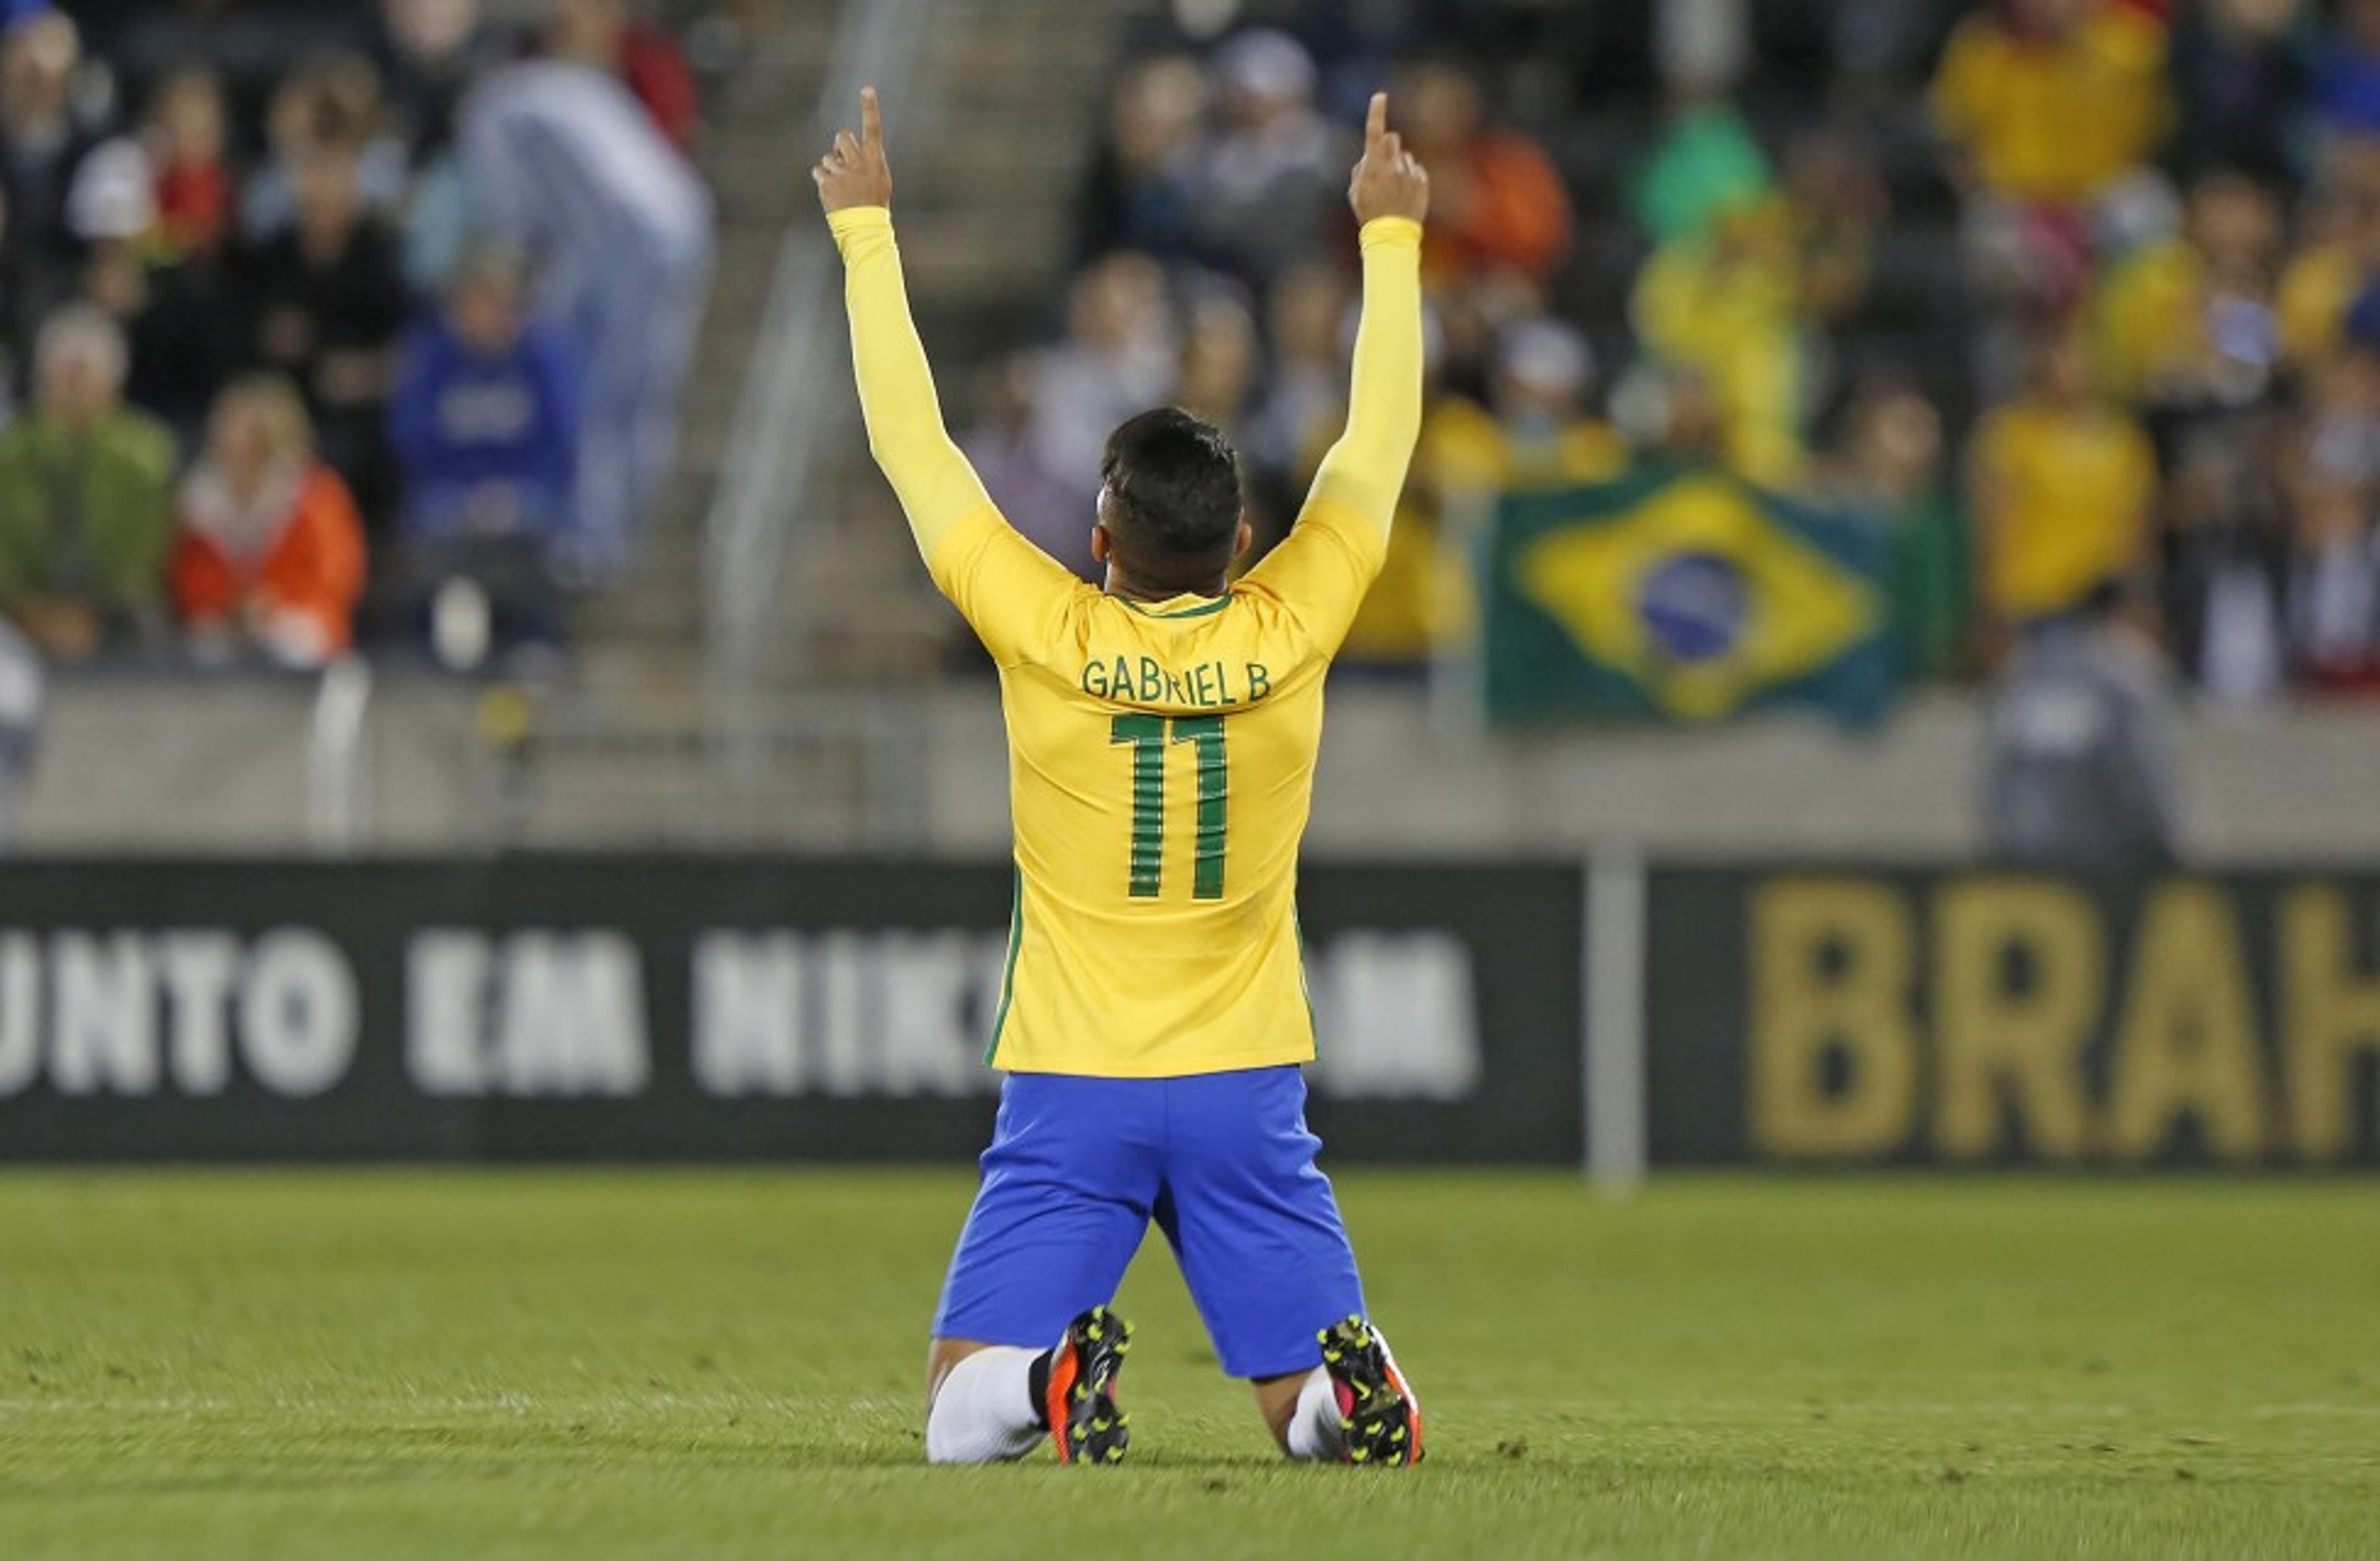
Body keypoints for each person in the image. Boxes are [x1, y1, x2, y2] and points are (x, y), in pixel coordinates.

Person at [817, 86, 1428, 1468]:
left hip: (1076, 1070)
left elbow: (915, 451)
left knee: (953, 1402)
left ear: (1101, 541)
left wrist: (867, 236)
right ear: (1247, 539)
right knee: (1299, 1401)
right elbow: (1376, 446)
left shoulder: (1045, 631)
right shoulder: (1295, 624)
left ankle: (1042, 1387)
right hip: (1242, 1072)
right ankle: (1351, 1394)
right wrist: (1389, 242)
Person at [461, 55, 713, 569]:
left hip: (630, 244)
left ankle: (596, 538)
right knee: (639, 398)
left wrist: (525, 291)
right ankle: (615, 528)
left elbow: (519, 221)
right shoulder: (564, 85)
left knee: (603, 396)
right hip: (680, 224)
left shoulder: (491, 113)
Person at [0, 306, 177, 661]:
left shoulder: (145, 456)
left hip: (116, 613)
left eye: (83, 375)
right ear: (42, 376)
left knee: (147, 623)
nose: (72, 388)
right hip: (20, 613)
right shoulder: (11, 453)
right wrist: (31, 609)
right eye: (63, 374)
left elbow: (146, 550)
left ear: (113, 382)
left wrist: (91, 615)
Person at [1982, 577, 2183, 871]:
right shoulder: (2123, 684)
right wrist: (2164, 847)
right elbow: (2142, 780)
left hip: (2026, 862)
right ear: (2114, 619)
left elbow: (1995, 781)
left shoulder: (2024, 681)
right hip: (2109, 865)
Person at [172, 375, 368, 669]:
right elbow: (190, 576)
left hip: (301, 625)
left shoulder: (314, 495)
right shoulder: (200, 499)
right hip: (224, 626)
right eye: (229, 430)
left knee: (296, 646)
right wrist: (231, 606)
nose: (236, 442)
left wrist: (272, 607)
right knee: (202, 652)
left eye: (250, 433)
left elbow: (335, 575)